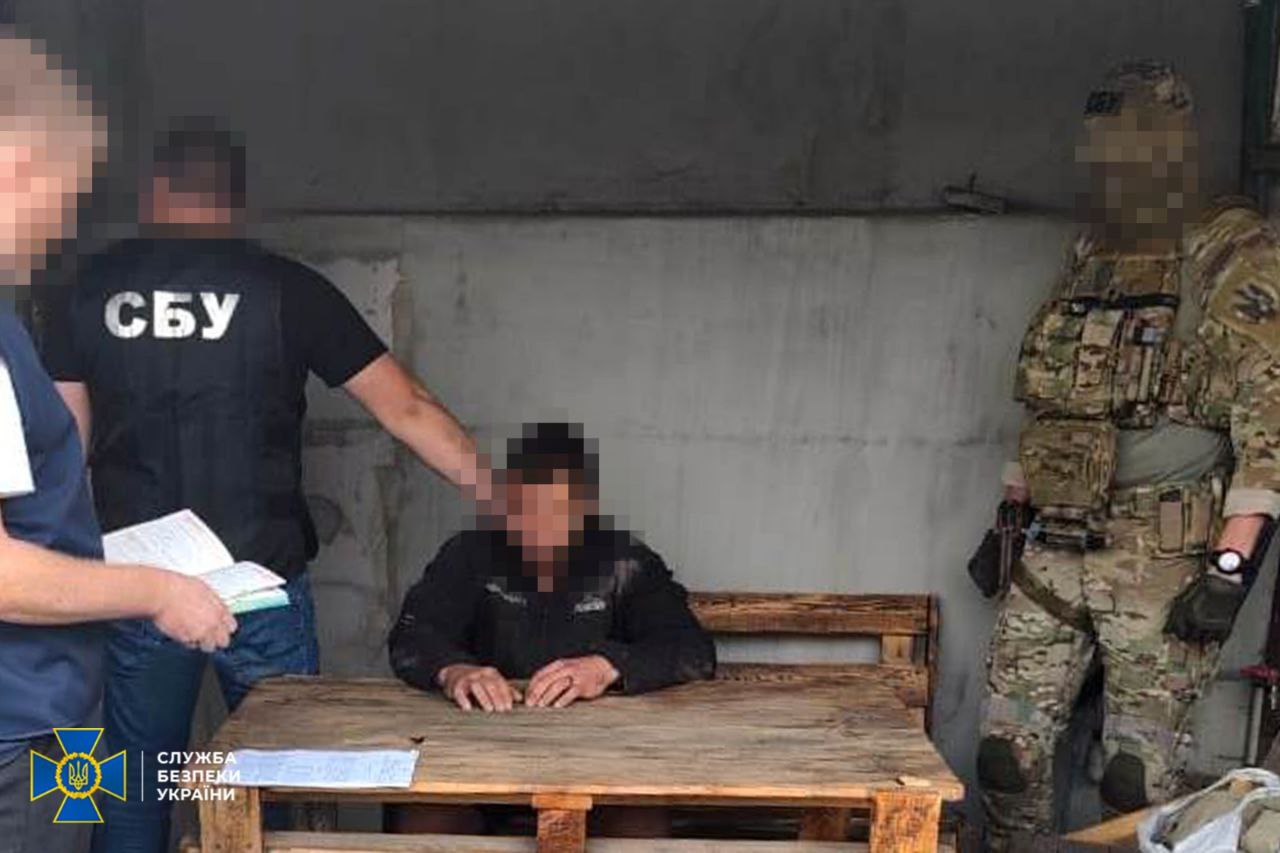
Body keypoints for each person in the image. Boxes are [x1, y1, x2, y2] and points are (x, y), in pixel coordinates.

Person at [40, 117, 498, 853]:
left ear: (152, 194)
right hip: (261, 580)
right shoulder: (286, 289)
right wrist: (505, 498)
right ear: (236, 200)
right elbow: (406, 409)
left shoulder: (85, 293)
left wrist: (57, 578)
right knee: (285, 780)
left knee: (129, 779)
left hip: (138, 585)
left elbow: (63, 452)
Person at [969, 61, 1280, 850]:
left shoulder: (1229, 247)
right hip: (1055, 539)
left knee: (1135, 778)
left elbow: (1269, 412)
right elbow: (1055, 395)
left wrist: (1232, 566)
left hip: (1161, 552)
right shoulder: (1094, 249)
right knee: (1004, 758)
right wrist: (1010, 512)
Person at [0, 35, 237, 853]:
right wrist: (157, 590)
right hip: (20, 738)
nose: (65, 226)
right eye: (68, 197)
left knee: (92, 824)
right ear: (18, 165)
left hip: (58, 711)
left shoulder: (9, 323)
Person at [388, 422, 715, 835]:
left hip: (600, 769)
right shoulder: (470, 554)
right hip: (479, 764)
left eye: (560, 511)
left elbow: (691, 649)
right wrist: (454, 671)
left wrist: (608, 666)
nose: (543, 526)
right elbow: (412, 636)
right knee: (425, 821)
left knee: (639, 828)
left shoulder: (626, 563)